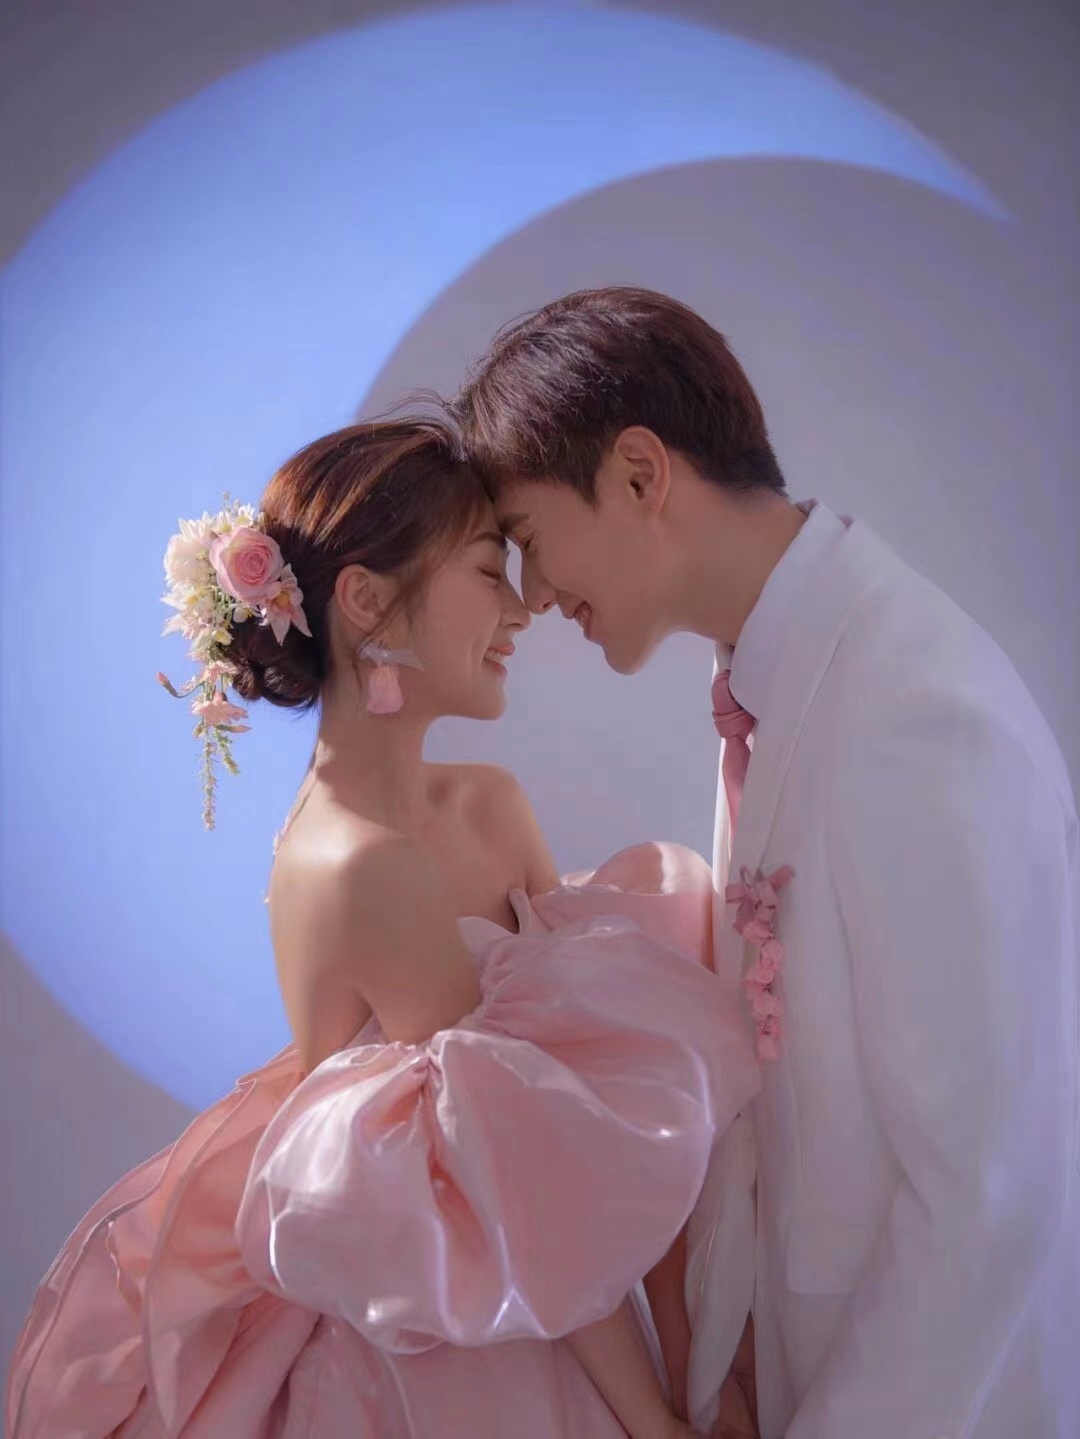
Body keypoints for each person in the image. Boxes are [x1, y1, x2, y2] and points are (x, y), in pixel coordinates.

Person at [4, 417, 762, 1439]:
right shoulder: (357, 864)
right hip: (444, 1346)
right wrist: (654, 1420)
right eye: (488, 571)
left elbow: (617, 1112)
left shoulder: (487, 805)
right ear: (365, 600)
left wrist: (694, 1366)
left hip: (557, 1283)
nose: (520, 609)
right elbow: (513, 1172)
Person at [453, 286, 1080, 1439]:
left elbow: (992, 1192)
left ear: (639, 474)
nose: (535, 599)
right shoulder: (770, 682)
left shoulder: (918, 708)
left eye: (531, 543)